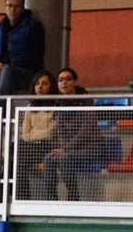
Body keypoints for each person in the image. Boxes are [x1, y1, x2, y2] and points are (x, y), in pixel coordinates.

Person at [37, 67, 103, 201]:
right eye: (61, 80)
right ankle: (51, 200)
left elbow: (86, 130)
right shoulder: (58, 103)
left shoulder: (86, 101)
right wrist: (62, 148)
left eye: (68, 79)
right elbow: (59, 129)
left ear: (75, 82)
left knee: (64, 158)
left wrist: (65, 149)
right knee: (49, 158)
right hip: (68, 149)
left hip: (91, 148)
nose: (64, 83)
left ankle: (73, 198)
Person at [15, 70, 57, 200]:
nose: (40, 87)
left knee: (16, 157)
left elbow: (51, 133)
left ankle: (18, 197)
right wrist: (38, 134)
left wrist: (34, 133)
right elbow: (25, 134)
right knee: (13, 156)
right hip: (30, 146)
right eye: (37, 84)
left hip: (48, 146)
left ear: (51, 87)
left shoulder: (57, 106)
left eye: (45, 83)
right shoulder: (29, 107)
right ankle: (22, 198)